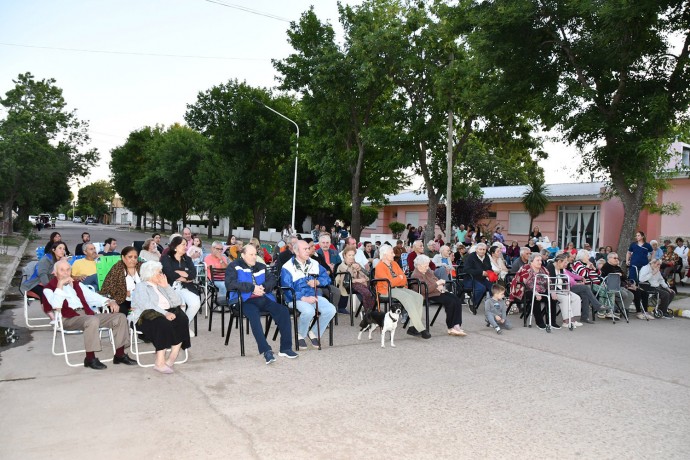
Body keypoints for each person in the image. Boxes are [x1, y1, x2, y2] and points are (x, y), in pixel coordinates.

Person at [43, 259, 135, 370]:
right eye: (62, 270)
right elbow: (56, 306)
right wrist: (60, 285)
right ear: (55, 273)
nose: (66, 273)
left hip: (86, 314)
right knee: (92, 320)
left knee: (120, 317)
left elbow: (93, 297)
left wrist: (109, 301)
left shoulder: (77, 285)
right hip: (67, 318)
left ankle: (119, 354)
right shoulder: (48, 289)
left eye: (68, 270)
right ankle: (90, 358)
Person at [226, 244, 298, 364]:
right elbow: (230, 284)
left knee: (283, 311)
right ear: (243, 255)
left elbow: (273, 280)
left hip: (263, 297)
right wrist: (252, 288)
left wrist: (263, 287)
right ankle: (266, 350)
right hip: (244, 300)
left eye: (255, 254)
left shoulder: (261, 266)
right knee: (254, 316)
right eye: (251, 254)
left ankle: (285, 348)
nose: (255, 257)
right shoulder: (234, 266)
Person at [130, 261, 191, 374]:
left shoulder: (162, 285)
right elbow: (146, 305)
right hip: (146, 315)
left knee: (182, 318)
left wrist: (167, 287)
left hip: (165, 312)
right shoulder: (141, 286)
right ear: (151, 274)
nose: (162, 275)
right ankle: (159, 362)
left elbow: (177, 302)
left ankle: (172, 357)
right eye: (159, 272)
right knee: (162, 323)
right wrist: (165, 313)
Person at [280, 240, 337, 348]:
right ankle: (300, 335)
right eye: (305, 249)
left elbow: (326, 277)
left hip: (314, 295)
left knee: (331, 310)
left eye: (308, 249)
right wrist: (303, 298)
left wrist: (318, 282)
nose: (308, 251)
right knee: (309, 311)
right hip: (294, 298)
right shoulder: (287, 267)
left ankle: (314, 333)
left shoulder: (314, 263)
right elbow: (287, 289)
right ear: (296, 252)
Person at [374, 245, 431, 339]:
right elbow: (389, 283)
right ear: (384, 255)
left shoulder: (394, 264)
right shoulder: (379, 267)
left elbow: (404, 278)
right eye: (391, 253)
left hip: (398, 288)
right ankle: (420, 328)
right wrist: (398, 279)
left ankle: (412, 327)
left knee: (419, 297)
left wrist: (398, 279)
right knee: (408, 298)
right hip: (385, 291)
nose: (394, 254)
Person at [412, 254, 465, 336]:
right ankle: (451, 327)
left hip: (436, 291)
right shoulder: (416, 275)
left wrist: (440, 285)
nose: (427, 267)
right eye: (425, 266)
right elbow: (424, 290)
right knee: (450, 302)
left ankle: (457, 324)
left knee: (456, 300)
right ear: (418, 265)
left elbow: (434, 278)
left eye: (427, 265)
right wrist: (437, 284)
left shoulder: (427, 270)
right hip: (427, 295)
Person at [160, 236, 202, 333]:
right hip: (170, 287)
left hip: (185, 287)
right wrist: (184, 275)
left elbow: (192, 274)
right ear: (175, 246)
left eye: (186, 245)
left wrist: (178, 273)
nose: (186, 247)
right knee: (181, 303)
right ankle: (180, 329)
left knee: (195, 304)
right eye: (183, 244)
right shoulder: (166, 258)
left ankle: (183, 326)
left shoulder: (187, 259)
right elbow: (168, 273)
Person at [509, 253, 560, 330]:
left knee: (552, 298)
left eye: (541, 260)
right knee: (535, 297)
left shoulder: (544, 269)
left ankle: (551, 322)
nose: (540, 262)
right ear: (531, 261)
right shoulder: (525, 268)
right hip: (525, 290)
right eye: (538, 260)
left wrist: (552, 291)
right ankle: (539, 322)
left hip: (542, 290)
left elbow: (549, 282)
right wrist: (536, 292)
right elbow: (527, 283)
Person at [100, 246, 142, 317]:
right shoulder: (117, 269)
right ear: (123, 257)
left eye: (135, 257)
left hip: (141, 299)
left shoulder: (141, 267)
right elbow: (108, 288)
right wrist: (125, 293)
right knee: (121, 311)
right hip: (122, 300)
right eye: (130, 257)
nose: (133, 259)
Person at [335, 246, 376, 314]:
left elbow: (367, 274)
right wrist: (357, 279)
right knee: (366, 291)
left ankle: (372, 310)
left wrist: (360, 268)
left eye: (353, 255)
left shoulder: (356, 263)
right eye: (349, 255)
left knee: (373, 291)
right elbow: (345, 279)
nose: (351, 257)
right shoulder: (341, 265)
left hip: (361, 283)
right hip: (348, 285)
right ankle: (368, 312)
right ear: (344, 255)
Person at [546, 253, 583, 327]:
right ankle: (566, 321)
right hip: (553, 291)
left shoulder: (561, 269)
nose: (566, 264)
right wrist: (554, 292)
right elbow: (549, 282)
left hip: (561, 290)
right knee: (565, 299)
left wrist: (566, 290)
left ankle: (572, 320)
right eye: (565, 262)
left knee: (576, 298)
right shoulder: (550, 268)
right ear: (559, 261)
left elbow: (564, 281)